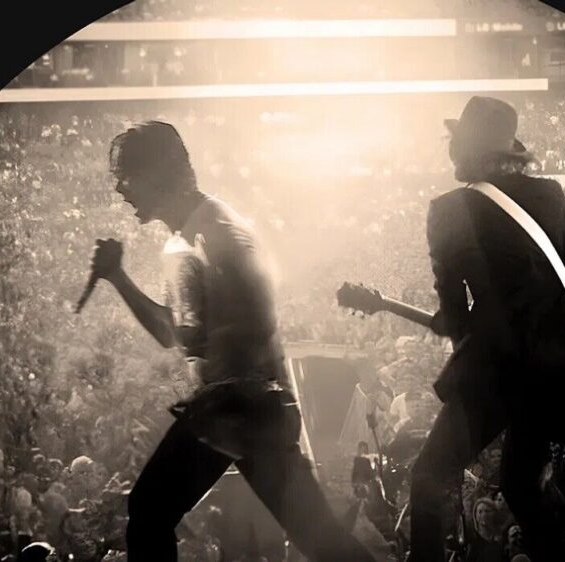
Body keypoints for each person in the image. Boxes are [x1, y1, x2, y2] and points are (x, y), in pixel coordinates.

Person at [89, 121, 373, 562]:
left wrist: (230, 391)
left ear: (155, 174)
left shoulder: (213, 231)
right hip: (246, 410)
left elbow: (240, 324)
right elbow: (172, 332)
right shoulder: (187, 237)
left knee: (149, 509)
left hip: (240, 408)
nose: (121, 190)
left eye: (127, 177)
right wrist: (117, 277)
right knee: (320, 540)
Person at [408, 97, 565, 561]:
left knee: (428, 476)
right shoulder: (552, 195)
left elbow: (454, 317)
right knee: (521, 487)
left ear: (464, 150)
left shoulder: (448, 210)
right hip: (558, 375)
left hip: (497, 374)